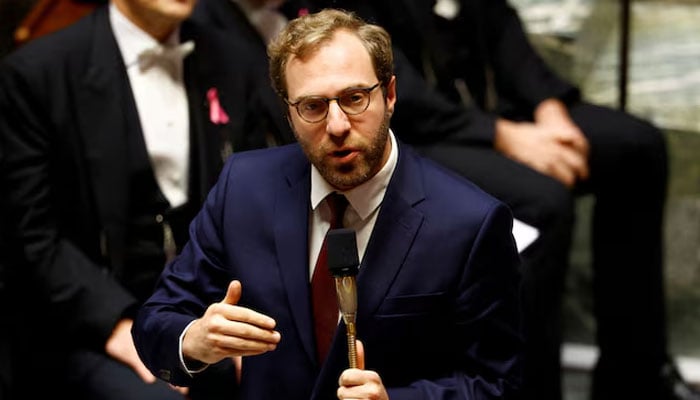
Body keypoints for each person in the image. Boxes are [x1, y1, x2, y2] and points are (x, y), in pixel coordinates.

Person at [194, 1, 700, 400]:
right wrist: (507, 136)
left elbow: (498, 25)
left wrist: (548, 106)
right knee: (543, 202)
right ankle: (538, 386)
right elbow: (397, 91)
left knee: (637, 147)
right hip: (418, 130)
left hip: (486, 105)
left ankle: (635, 370)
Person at [132, 8, 524, 400]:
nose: (337, 126)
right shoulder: (245, 186)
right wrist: (194, 340)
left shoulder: (469, 222)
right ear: (289, 112)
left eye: (354, 98)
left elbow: (497, 383)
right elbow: (156, 321)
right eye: (313, 107)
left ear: (389, 95)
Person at [0, 0, 281, 398]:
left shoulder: (231, 57)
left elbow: (251, 206)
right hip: (89, 322)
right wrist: (117, 324)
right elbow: (32, 237)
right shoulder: (38, 73)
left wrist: (238, 316)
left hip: (201, 308)